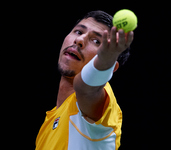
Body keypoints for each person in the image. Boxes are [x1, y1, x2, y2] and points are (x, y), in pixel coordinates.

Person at [35, 10, 134, 150]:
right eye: (78, 32)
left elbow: (85, 89)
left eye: (96, 41)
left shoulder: (102, 106)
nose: (80, 40)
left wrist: (104, 62)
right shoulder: (50, 120)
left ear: (112, 67)